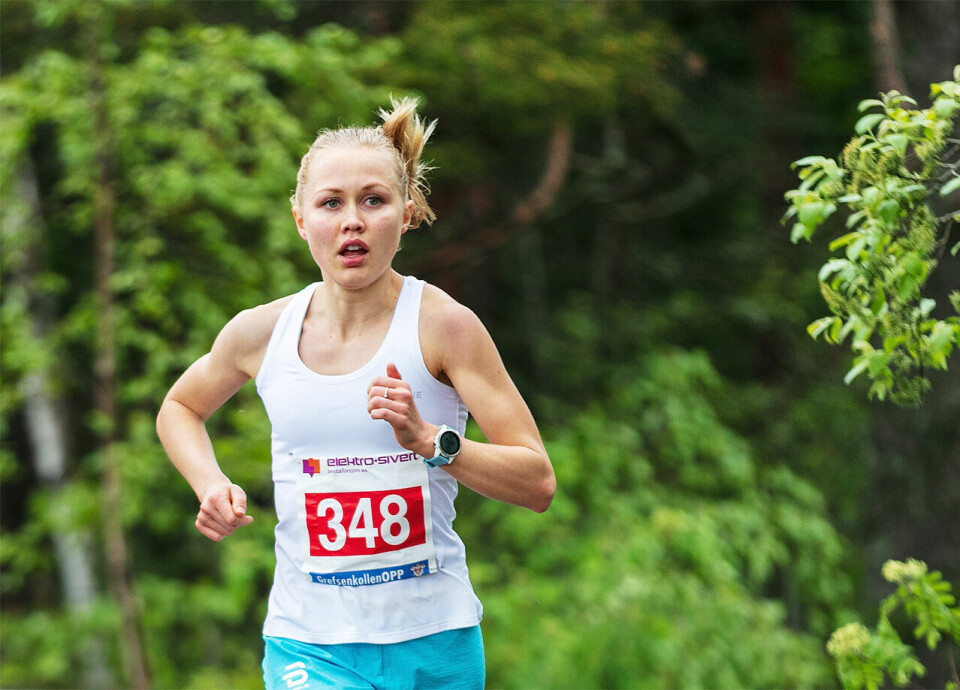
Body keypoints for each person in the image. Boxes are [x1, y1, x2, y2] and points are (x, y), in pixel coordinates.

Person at [156, 97, 556, 690]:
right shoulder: (261, 332)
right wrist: (209, 483)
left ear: (408, 212)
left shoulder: (445, 327)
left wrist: (432, 442)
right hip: (310, 643)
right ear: (300, 219)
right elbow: (180, 408)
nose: (353, 221)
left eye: (374, 200)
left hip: (434, 643)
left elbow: (537, 482)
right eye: (331, 203)